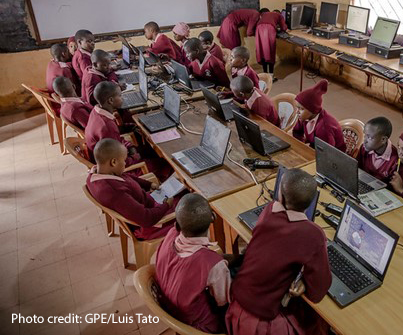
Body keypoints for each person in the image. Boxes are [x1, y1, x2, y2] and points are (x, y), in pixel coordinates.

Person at [226, 168, 331, 335]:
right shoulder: (314, 234)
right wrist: (304, 280)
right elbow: (318, 292)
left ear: (280, 195)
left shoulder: (268, 211)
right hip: (261, 323)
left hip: (236, 304)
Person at [156, 193, 231, 333]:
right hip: (198, 325)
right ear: (212, 219)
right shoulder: (213, 265)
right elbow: (223, 302)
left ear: (176, 224)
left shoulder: (170, 235)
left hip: (171, 309)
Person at [86, 139, 175, 240]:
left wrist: (148, 185)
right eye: (124, 160)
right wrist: (167, 205)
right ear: (114, 162)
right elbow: (146, 219)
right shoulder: (115, 192)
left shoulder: (97, 173)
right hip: (148, 226)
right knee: (187, 201)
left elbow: (126, 177)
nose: (125, 163)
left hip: (144, 204)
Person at [84, 81, 139, 164]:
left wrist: (129, 144)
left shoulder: (96, 111)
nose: (122, 98)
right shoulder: (107, 126)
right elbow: (116, 162)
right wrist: (134, 157)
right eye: (120, 96)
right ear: (111, 100)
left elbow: (116, 139)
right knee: (159, 161)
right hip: (111, 167)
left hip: (109, 154)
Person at [293, 79, 345, 152]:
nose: (297, 112)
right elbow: (296, 132)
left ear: (312, 110)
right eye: (297, 108)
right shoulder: (303, 117)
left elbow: (327, 152)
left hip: (332, 158)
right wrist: (301, 147)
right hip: (315, 149)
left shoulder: (324, 127)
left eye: (301, 109)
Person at [356, 116, 399, 182]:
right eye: (365, 135)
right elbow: (356, 169)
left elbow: (393, 187)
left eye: (369, 137)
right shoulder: (364, 148)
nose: (364, 141)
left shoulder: (395, 160)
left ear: (383, 139)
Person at [255, 8, 288, 76]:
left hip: (258, 28)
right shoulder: (280, 16)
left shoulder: (266, 14)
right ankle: (271, 75)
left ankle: (265, 74)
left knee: (262, 51)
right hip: (269, 28)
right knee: (270, 51)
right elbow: (284, 28)